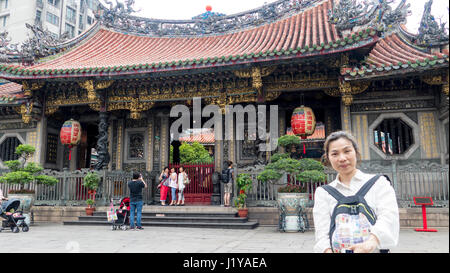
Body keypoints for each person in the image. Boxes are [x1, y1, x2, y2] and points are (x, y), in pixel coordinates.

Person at [313, 131, 399, 253]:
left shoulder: (379, 183)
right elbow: (322, 233)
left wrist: (371, 243)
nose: (342, 158)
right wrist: (327, 250)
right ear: (328, 158)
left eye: (347, 151)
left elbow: (389, 217)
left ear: (356, 152)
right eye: (335, 154)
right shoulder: (323, 193)